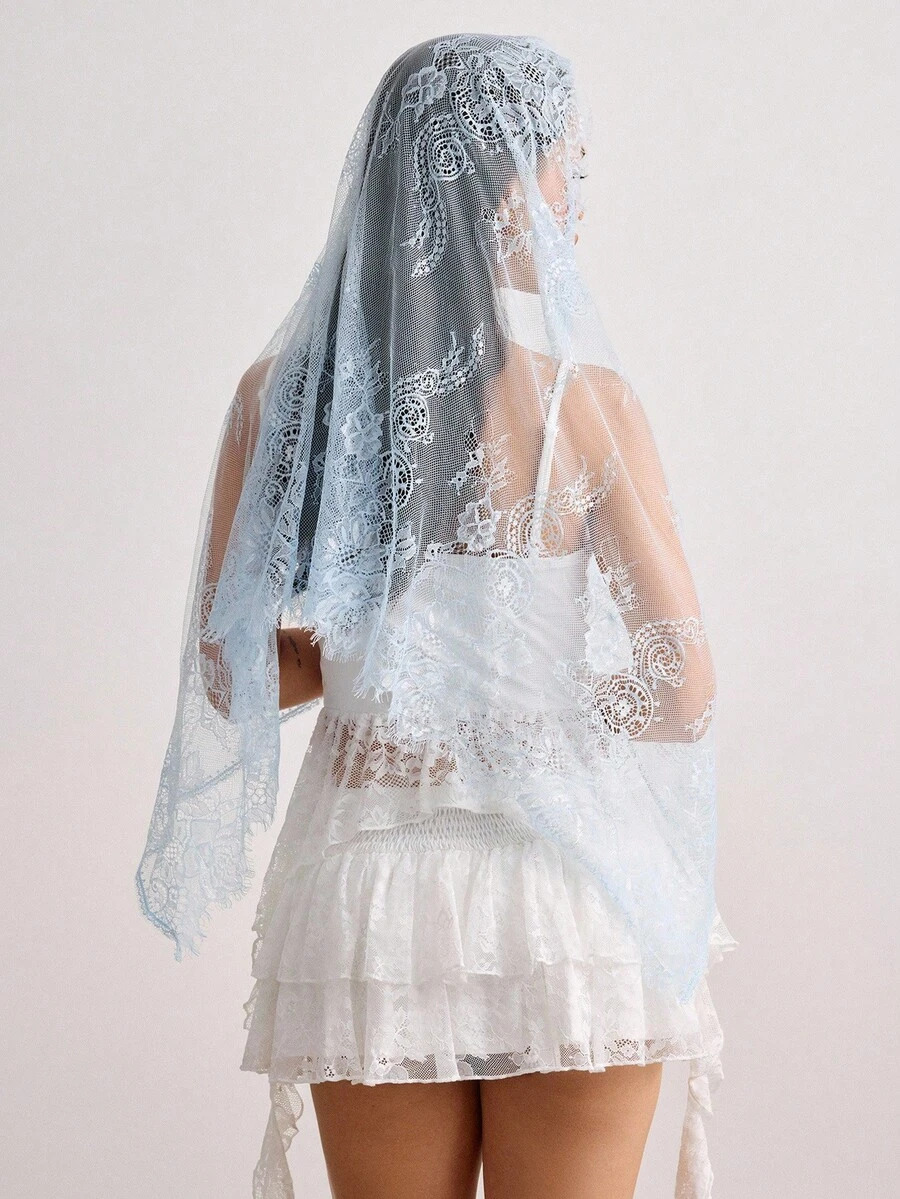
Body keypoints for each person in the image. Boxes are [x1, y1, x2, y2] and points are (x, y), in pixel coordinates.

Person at [135, 32, 736, 1199]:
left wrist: (375, 659)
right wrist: (538, 707)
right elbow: (682, 685)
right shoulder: (587, 405)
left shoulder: (282, 400)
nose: (578, 196)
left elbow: (230, 671)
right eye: (567, 164)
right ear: (503, 187)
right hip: (570, 891)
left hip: (375, 901)